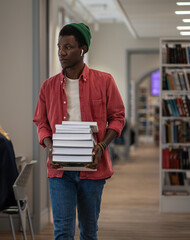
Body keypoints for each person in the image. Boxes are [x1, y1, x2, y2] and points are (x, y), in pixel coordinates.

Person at [33, 23, 125, 240]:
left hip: (92, 168)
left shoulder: (104, 81)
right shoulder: (48, 86)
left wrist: (102, 145)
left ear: (83, 49)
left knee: (88, 231)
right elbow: (41, 122)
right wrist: (50, 146)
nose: (61, 53)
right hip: (60, 171)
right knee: (62, 231)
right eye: (59, 47)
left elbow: (117, 117)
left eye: (68, 47)